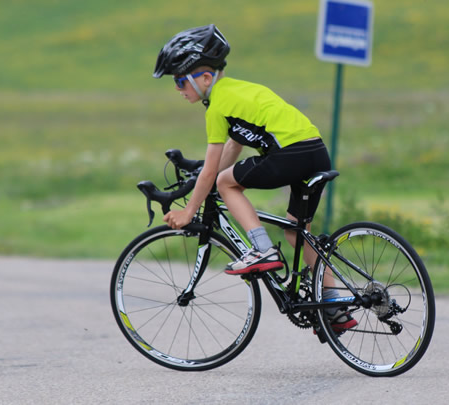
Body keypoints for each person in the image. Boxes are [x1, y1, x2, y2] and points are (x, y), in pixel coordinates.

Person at [153, 24, 357, 331]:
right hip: (315, 152)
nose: (177, 88)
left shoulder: (217, 106)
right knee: (296, 232)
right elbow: (236, 143)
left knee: (224, 183)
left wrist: (189, 210)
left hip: (289, 154)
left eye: (181, 80)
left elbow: (214, 171)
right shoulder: (239, 90)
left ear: (205, 78)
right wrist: (203, 181)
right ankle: (333, 303)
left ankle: (262, 250)